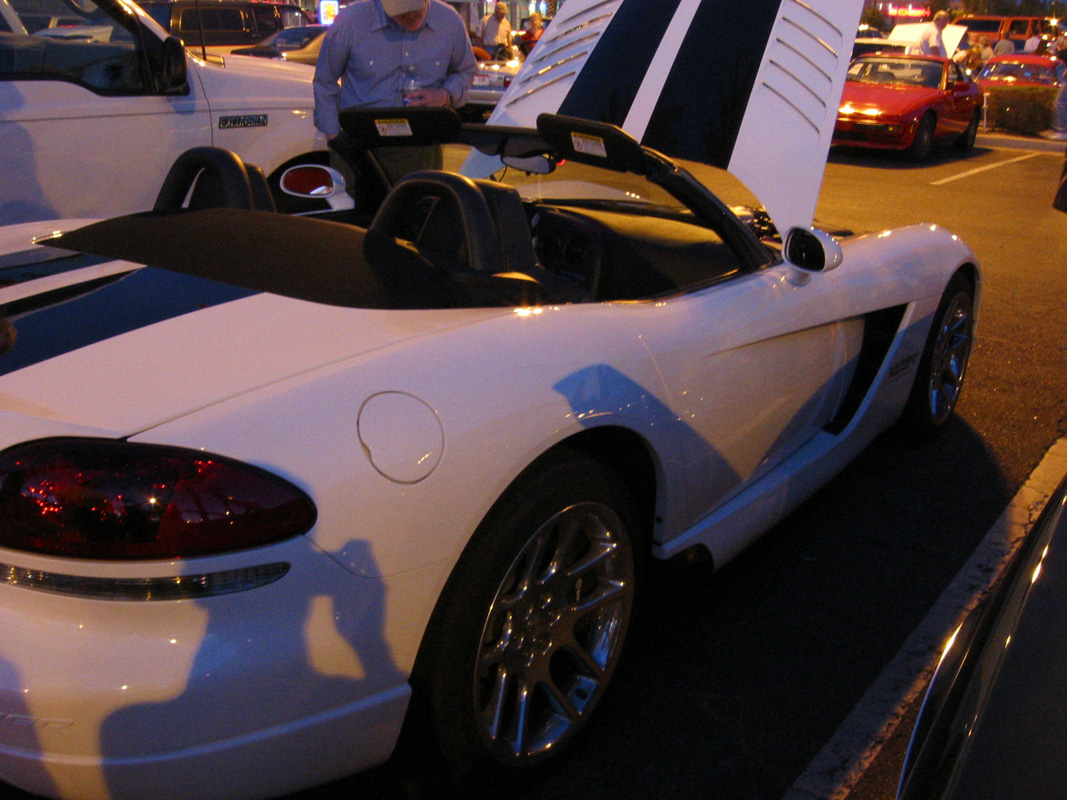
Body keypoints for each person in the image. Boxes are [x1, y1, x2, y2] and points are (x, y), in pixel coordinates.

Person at [313, 0, 475, 191]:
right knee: (359, 216)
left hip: (420, 144)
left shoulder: (449, 21)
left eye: (415, 10)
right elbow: (325, 81)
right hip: (359, 143)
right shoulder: (351, 21)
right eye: (401, 13)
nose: (410, 16)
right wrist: (334, 137)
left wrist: (445, 95)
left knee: (420, 212)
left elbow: (465, 71)